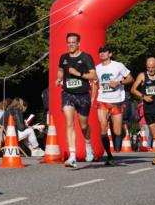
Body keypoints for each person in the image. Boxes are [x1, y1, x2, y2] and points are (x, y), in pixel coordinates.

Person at [55, 32, 96, 168]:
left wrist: (78, 73)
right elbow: (60, 70)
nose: (71, 45)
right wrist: (59, 78)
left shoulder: (86, 57)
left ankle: (88, 145)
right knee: (69, 122)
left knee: (84, 126)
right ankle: (72, 156)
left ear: (78, 44)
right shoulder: (64, 57)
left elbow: (93, 75)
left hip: (83, 95)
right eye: (69, 42)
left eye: (73, 42)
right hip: (68, 94)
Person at [94, 44, 133, 165]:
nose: (102, 53)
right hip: (102, 100)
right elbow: (95, 84)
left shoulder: (118, 65)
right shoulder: (97, 68)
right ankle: (109, 156)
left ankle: (118, 127)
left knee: (117, 132)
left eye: (105, 51)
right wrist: (92, 98)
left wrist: (119, 82)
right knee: (103, 128)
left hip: (116, 101)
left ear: (110, 54)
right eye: (100, 51)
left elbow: (130, 79)